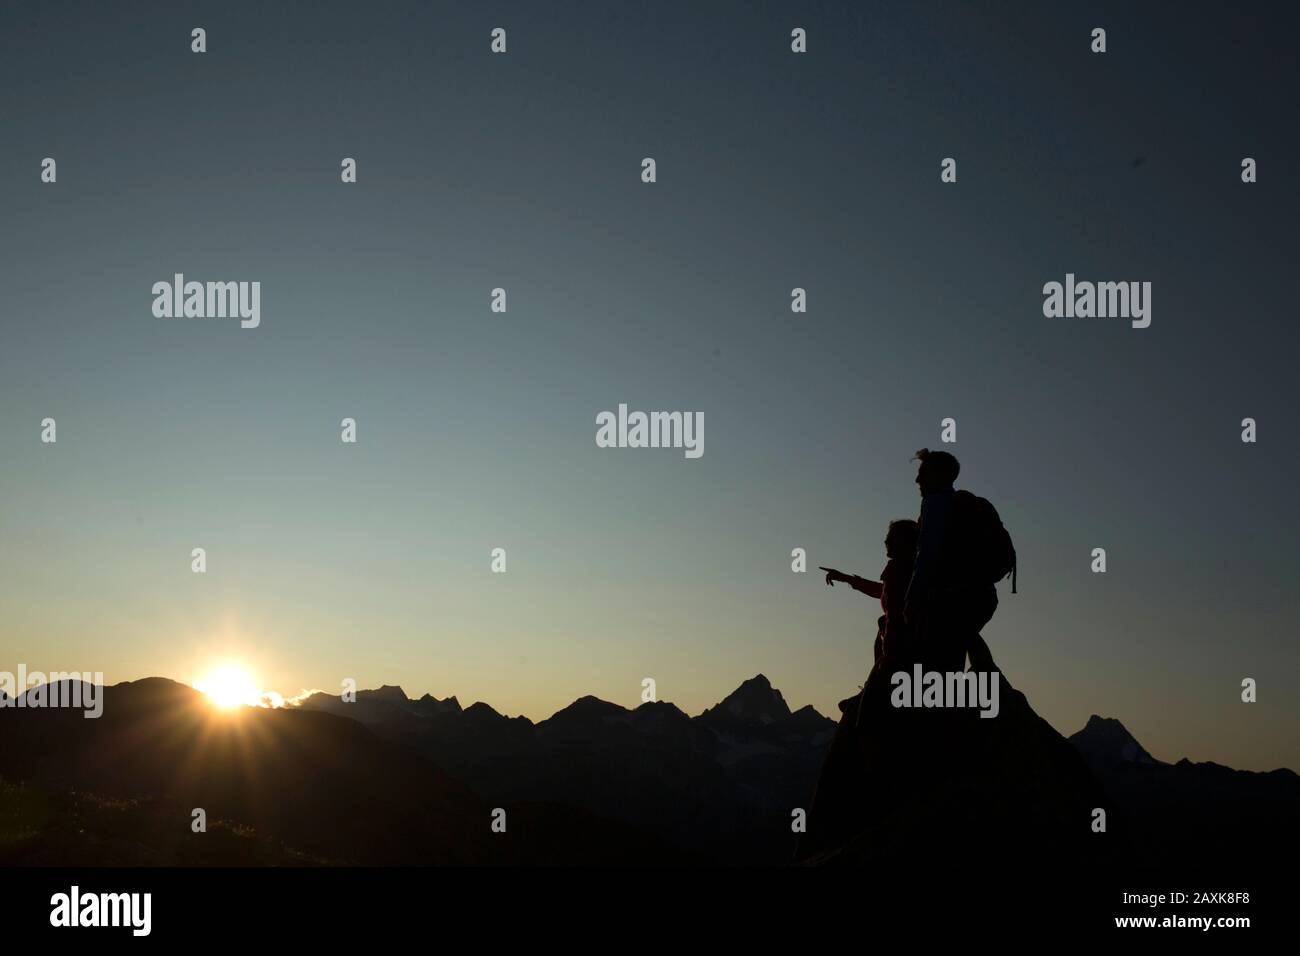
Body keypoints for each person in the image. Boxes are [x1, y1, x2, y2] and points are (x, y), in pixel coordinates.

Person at [904, 449, 999, 674]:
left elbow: (927, 555)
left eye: (923, 473)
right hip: (979, 597)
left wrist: (912, 600)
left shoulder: (935, 502)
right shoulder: (962, 506)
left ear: (939, 475)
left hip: (949, 599)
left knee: (936, 670)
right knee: (950, 664)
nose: (917, 479)